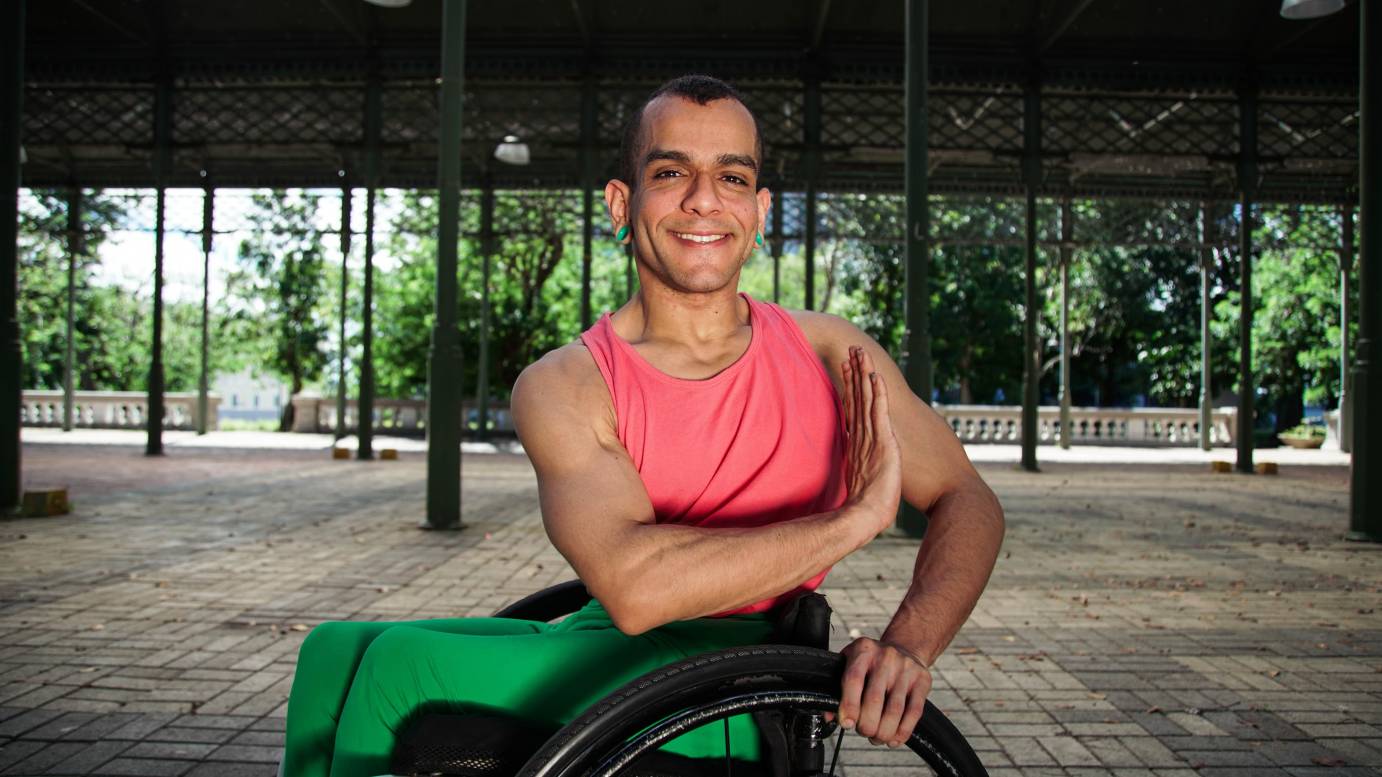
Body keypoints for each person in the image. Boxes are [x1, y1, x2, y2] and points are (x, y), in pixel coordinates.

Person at [280, 74, 1004, 777]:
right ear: (621, 204)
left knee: (397, 671)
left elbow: (967, 497)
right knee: (331, 651)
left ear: (758, 211)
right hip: (618, 638)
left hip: (740, 681)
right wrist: (855, 520)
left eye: (732, 177)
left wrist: (909, 644)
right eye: (670, 172)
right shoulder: (567, 382)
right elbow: (634, 590)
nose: (702, 200)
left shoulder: (832, 354)